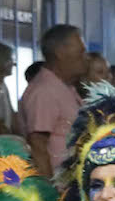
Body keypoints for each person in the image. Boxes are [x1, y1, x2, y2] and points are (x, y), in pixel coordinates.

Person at [18, 24, 86, 178]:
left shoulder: (65, 87)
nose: (85, 58)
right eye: (81, 52)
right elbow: (38, 145)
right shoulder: (44, 90)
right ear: (60, 53)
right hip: (57, 187)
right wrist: (49, 195)